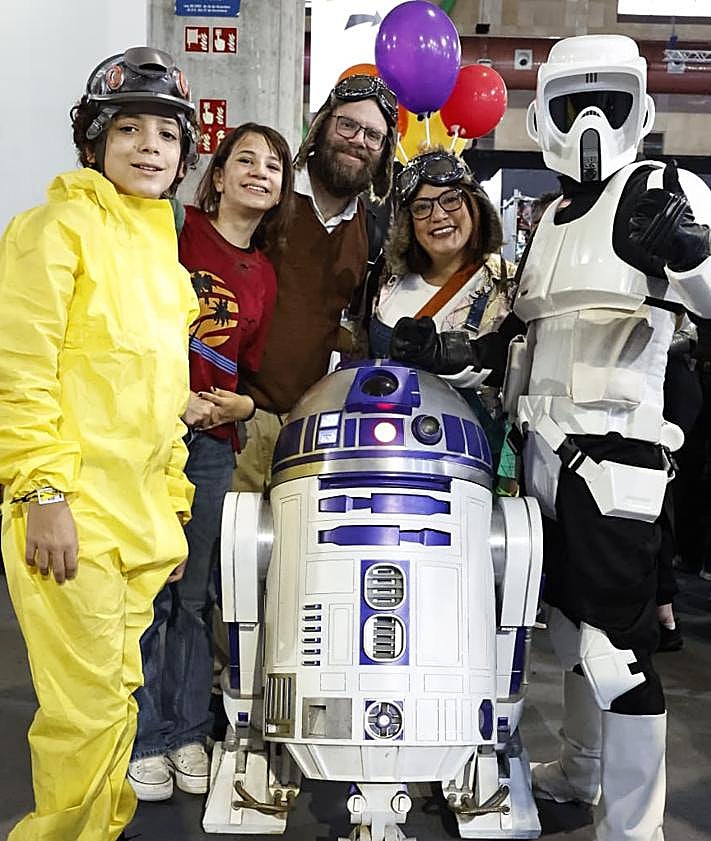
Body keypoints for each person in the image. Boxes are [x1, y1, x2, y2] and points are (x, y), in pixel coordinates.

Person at [393, 34, 711, 841]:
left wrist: (688, 252)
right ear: (548, 116)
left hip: (619, 463)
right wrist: (454, 356)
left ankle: (633, 828)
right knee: (569, 636)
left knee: (617, 654)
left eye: (609, 101)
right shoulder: (550, 222)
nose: (594, 120)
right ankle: (578, 769)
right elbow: (523, 340)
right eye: (577, 105)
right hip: (541, 465)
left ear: (637, 106)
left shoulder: (663, 191)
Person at [0, 47, 199, 841]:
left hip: (137, 523)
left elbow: (165, 402)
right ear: (95, 143)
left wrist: (173, 509)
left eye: (167, 134)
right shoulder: (52, 230)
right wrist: (40, 493)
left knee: (114, 703)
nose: (150, 146)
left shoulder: (162, 253)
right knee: (83, 715)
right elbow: (21, 371)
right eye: (129, 129)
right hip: (70, 515)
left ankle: (99, 830)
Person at [128, 123, 294, 800]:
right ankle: (144, 735)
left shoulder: (264, 275)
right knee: (147, 592)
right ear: (217, 174)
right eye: (245, 159)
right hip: (148, 432)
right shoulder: (172, 227)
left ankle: (189, 728)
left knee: (195, 596)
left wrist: (240, 410)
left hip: (212, 449)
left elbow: (247, 380)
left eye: (274, 166)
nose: (259, 172)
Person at [235, 73, 398, 494]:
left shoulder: (372, 230)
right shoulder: (270, 194)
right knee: (223, 551)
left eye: (373, 136)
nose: (358, 140)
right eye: (348, 125)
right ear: (323, 124)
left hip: (312, 431)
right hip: (238, 421)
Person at [371, 149, 516, 462]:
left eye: (451, 199)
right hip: (385, 454)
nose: (438, 216)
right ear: (408, 222)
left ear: (474, 203)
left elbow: (521, 374)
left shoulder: (508, 285)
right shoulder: (386, 282)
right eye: (422, 207)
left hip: (470, 460)